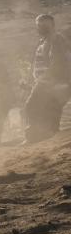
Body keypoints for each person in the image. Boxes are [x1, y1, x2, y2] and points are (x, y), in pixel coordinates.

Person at [25, 15, 71, 143]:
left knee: (32, 106)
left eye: (45, 25)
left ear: (52, 25)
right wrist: (32, 78)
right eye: (39, 25)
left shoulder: (56, 40)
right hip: (47, 81)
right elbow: (37, 62)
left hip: (51, 81)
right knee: (49, 109)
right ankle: (46, 137)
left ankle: (34, 137)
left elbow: (58, 61)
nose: (42, 28)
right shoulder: (43, 41)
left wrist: (48, 79)